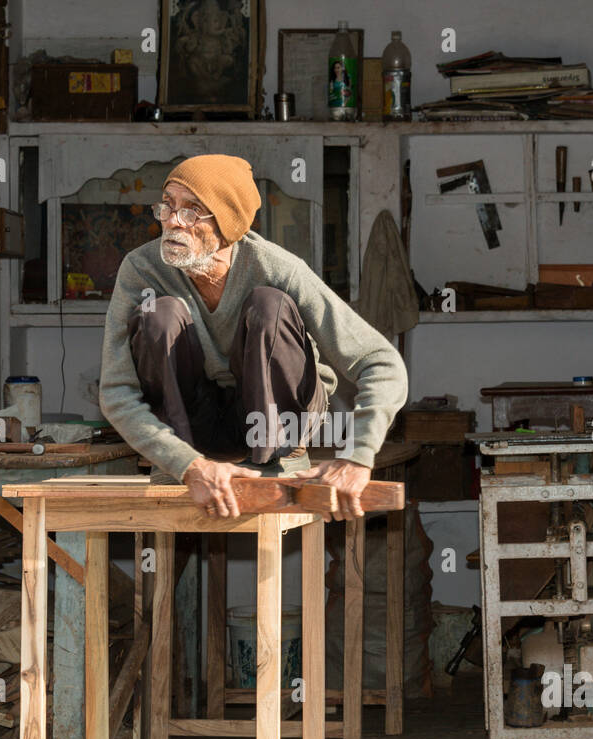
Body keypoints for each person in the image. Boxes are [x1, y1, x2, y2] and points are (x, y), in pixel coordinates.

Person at [99, 154, 408, 521]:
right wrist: (187, 465)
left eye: (192, 211)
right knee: (158, 315)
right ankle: (191, 458)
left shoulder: (276, 268)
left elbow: (382, 362)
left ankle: (275, 457)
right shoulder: (142, 269)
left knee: (269, 306)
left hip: (275, 426)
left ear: (227, 225)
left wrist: (357, 456)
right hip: (197, 432)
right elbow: (116, 391)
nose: (172, 222)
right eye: (167, 206)